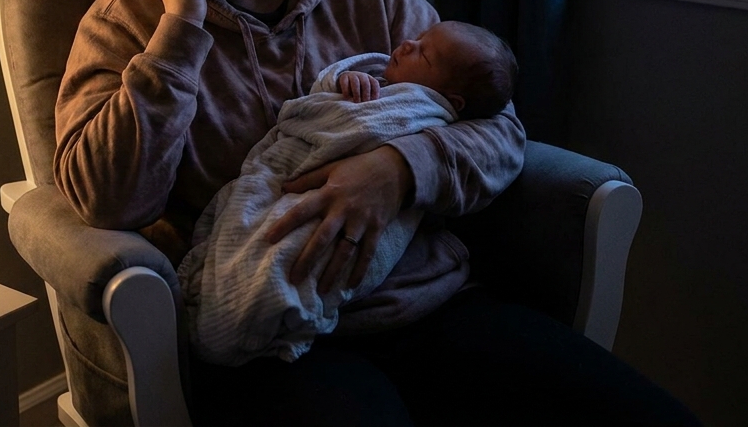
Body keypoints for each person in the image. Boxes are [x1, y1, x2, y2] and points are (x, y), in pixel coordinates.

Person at [54, 0, 698, 426]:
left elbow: (500, 129)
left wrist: (400, 166)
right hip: (281, 340)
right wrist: (181, 30)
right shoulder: (128, 23)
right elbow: (105, 200)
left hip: (428, 303)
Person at [179, 21, 517, 367]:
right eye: (416, 39)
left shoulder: (424, 102)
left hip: (427, 293)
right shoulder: (379, 78)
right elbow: (320, 106)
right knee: (275, 242)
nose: (406, 44)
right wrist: (343, 81)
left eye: (423, 51)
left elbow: (501, 126)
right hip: (328, 336)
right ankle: (241, 315)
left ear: (452, 100)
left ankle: (261, 313)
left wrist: (399, 166)